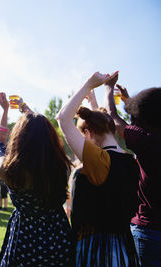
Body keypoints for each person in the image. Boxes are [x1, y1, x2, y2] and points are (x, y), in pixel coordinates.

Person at [57, 71, 140, 266]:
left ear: (90, 132)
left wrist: (88, 84)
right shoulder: (131, 161)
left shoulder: (100, 160)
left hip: (97, 253)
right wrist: (99, 98)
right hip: (124, 251)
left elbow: (62, 118)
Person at [0, 92, 73, 266]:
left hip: (24, 240)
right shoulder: (62, 168)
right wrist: (24, 108)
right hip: (58, 240)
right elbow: (40, 132)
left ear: (18, 140)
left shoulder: (10, 170)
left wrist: (5, 111)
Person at [103, 74, 161, 266]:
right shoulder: (151, 140)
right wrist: (130, 102)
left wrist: (109, 89)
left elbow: (112, 118)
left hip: (149, 233)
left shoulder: (149, 143)